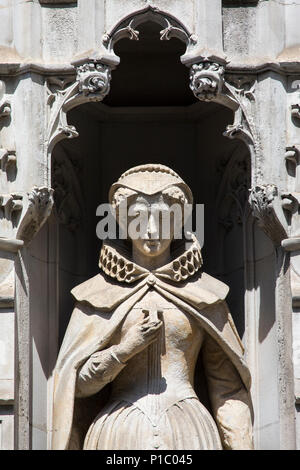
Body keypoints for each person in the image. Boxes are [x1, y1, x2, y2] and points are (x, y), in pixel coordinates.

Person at [51, 164, 254, 450]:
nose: (151, 230)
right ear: (121, 222)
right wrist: (122, 351)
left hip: (189, 432)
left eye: (164, 218)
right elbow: (74, 387)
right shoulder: (96, 295)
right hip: (119, 432)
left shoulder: (206, 295)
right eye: (138, 219)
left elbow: (228, 389)